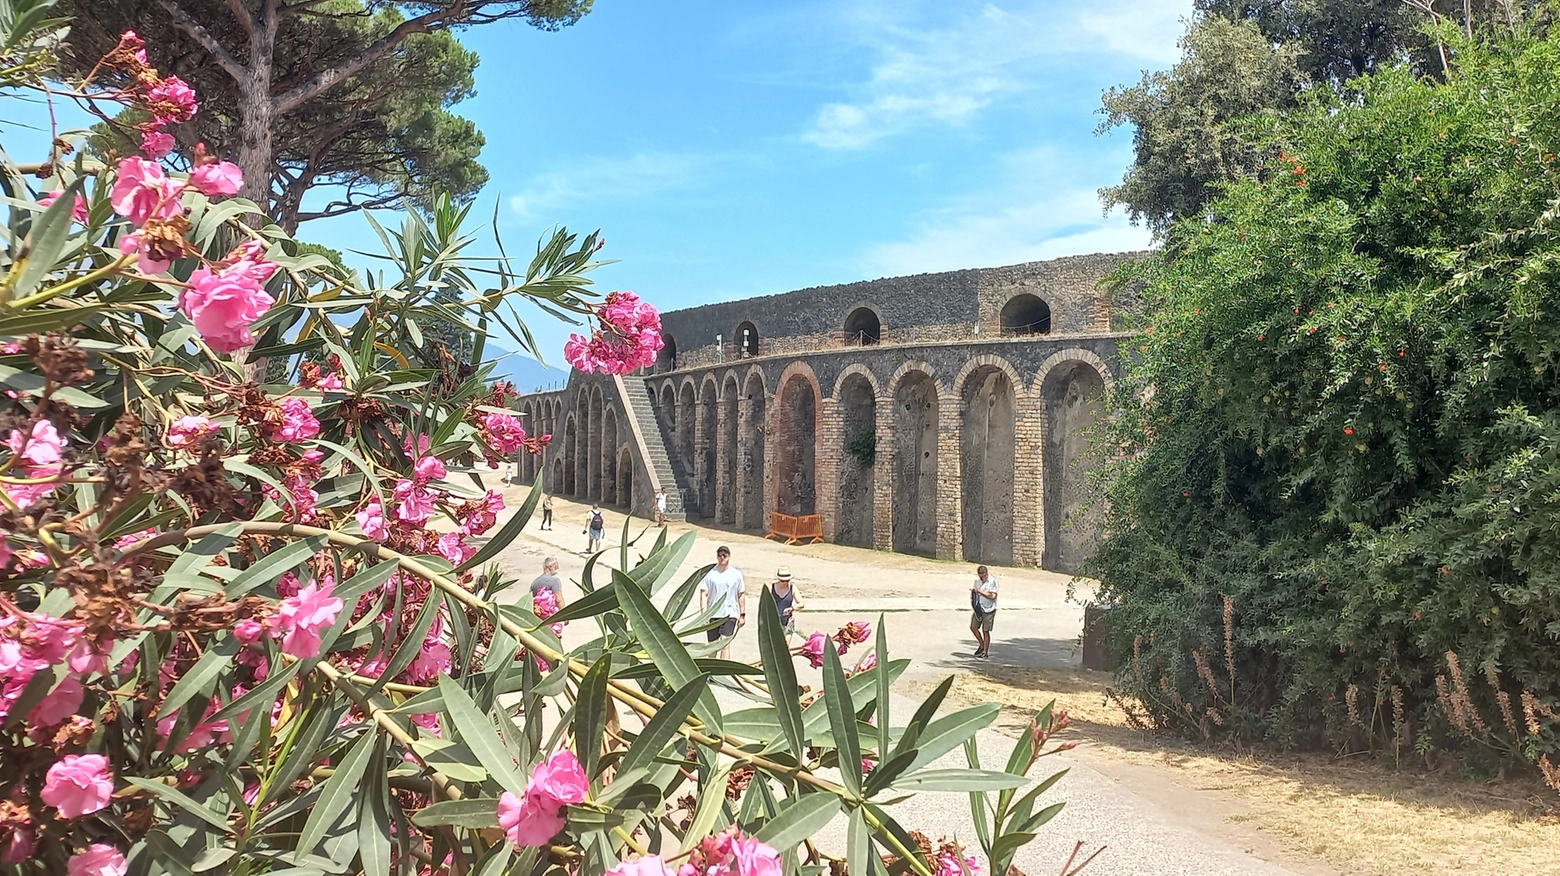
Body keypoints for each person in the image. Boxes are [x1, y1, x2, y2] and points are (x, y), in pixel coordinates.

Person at [698, 545, 746, 659]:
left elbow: (741, 594)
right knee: (712, 646)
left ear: (729, 556)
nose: (722, 558)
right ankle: (712, 670)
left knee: (725, 644)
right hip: (713, 614)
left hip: (730, 614)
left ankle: (724, 673)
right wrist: (704, 614)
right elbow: (704, 594)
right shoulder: (710, 574)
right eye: (719, 555)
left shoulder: (736, 574)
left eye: (724, 555)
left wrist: (742, 614)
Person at [970, 565, 998, 659]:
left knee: (985, 630)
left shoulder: (992, 581)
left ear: (987, 574)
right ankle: (981, 645)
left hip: (989, 609)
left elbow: (993, 596)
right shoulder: (977, 581)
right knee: (973, 627)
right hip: (979, 608)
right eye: (981, 576)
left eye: (984, 576)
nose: (983, 578)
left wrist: (980, 591)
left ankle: (985, 652)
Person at [768, 566, 803, 636]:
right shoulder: (771, 588)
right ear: (778, 579)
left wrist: (792, 608)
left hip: (787, 621)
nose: (785, 583)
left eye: (787, 580)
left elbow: (801, 603)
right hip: (773, 622)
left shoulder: (793, 588)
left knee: (785, 645)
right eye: (782, 581)